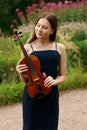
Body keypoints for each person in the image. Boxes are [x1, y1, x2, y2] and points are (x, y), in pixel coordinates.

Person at [16, 13, 66, 130]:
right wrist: (20, 72)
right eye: (38, 25)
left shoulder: (59, 48)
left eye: (45, 27)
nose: (39, 29)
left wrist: (54, 81)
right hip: (32, 96)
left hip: (51, 95)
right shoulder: (28, 48)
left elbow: (63, 76)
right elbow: (26, 80)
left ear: (52, 30)